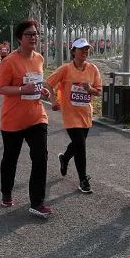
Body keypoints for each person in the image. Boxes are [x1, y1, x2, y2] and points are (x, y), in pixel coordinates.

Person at [0, 19, 54, 218]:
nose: (33, 37)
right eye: (29, 34)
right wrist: (22, 89)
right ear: (20, 38)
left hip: (37, 117)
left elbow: (36, 84)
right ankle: (6, 192)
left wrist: (42, 91)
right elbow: (1, 88)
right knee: (10, 159)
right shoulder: (9, 61)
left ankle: (37, 202)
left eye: (36, 34)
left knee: (40, 157)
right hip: (13, 120)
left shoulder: (39, 58)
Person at [45, 38, 102, 194]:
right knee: (81, 145)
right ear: (73, 51)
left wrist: (90, 89)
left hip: (86, 113)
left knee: (78, 144)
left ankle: (64, 158)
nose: (85, 52)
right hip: (70, 114)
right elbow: (48, 83)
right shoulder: (65, 69)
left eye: (87, 49)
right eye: (81, 49)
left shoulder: (93, 69)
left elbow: (98, 91)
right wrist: (53, 101)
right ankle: (83, 179)